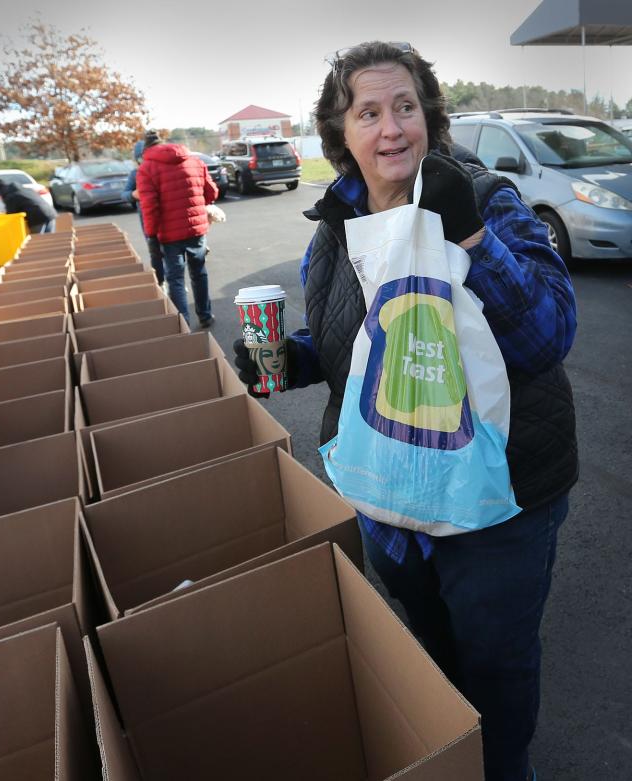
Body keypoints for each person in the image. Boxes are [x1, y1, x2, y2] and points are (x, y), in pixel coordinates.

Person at [232, 42, 577, 781]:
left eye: (406, 107)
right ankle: (454, 753)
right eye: (369, 112)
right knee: (435, 656)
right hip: (390, 497)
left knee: (497, 667)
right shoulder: (335, 226)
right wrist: (291, 358)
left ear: (429, 118)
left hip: (500, 500)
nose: (392, 128)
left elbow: (550, 335)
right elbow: (358, 348)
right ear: (342, 134)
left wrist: (474, 241)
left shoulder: (485, 198)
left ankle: (501, 768)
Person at [137, 128, 218, 328]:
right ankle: (205, 315)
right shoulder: (194, 161)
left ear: (145, 150)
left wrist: (151, 235)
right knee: (199, 271)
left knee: (175, 278)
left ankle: (183, 324)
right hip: (196, 229)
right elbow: (211, 192)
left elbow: (149, 207)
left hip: (169, 234)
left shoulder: (146, 168)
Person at [122, 139, 164, 285]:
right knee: (155, 252)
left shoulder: (164, 169)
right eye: (142, 158)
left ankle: (172, 280)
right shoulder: (135, 174)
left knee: (171, 252)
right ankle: (160, 282)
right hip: (148, 219)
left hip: (168, 217)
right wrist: (134, 194)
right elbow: (125, 194)